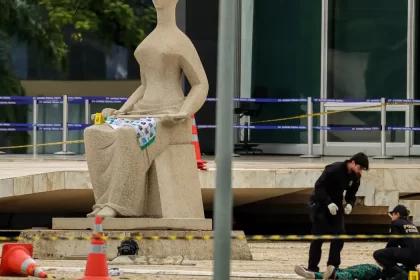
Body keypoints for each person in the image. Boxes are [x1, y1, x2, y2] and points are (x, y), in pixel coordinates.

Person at [303, 153, 369, 273]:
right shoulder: (334, 169)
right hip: (320, 203)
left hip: (337, 204)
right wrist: (328, 203)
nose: (361, 172)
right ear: (353, 162)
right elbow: (319, 187)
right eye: (360, 168)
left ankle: (333, 266)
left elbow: (351, 193)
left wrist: (350, 203)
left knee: (339, 234)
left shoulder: (355, 176)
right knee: (319, 236)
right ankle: (312, 267)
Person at [373, 205, 420, 280]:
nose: (392, 217)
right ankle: (411, 272)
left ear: (397, 214)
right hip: (418, 257)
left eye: (392, 214)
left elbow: (393, 241)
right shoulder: (412, 224)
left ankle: (401, 273)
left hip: (409, 254)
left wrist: (385, 254)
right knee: (406, 254)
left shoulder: (396, 223)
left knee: (378, 254)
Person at [294, 264, 382, 280]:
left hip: (377, 272)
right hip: (377, 272)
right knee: (349, 272)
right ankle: (314, 275)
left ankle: (334, 275)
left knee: (351, 273)